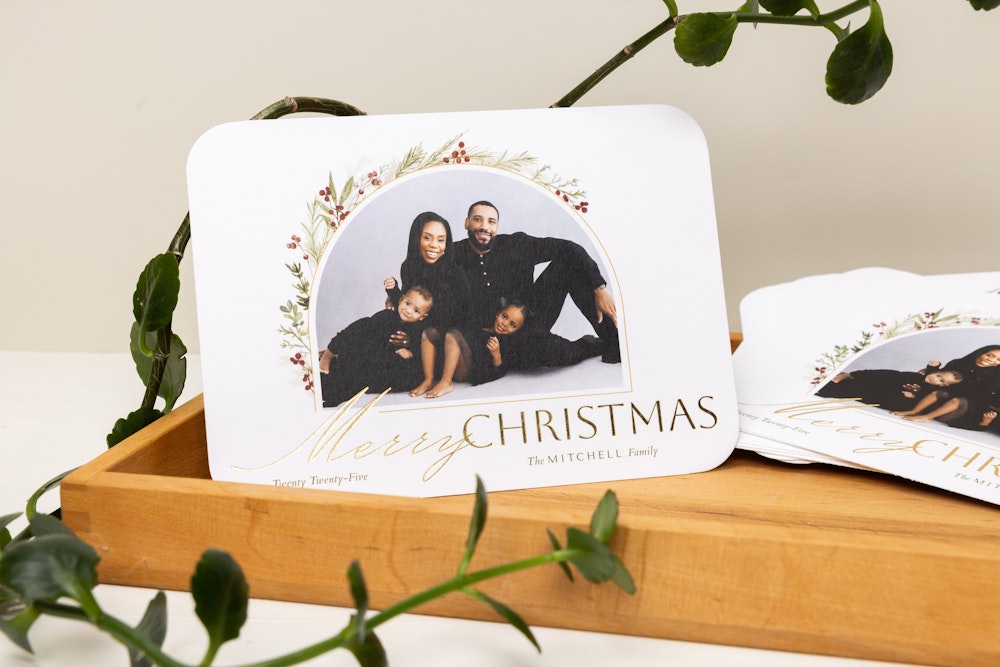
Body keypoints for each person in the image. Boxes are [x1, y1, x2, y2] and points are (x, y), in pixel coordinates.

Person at [452, 200, 620, 367]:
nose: (484, 226)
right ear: (467, 223)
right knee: (547, 351)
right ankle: (588, 345)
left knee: (568, 264)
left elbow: (570, 248)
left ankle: (615, 342)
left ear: (497, 228)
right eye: (477, 219)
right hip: (488, 337)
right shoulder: (452, 254)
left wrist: (599, 288)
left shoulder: (516, 244)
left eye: (491, 221)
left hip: (530, 320)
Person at [318, 286, 433, 407]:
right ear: (401, 299)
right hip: (368, 355)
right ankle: (328, 355)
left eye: (416, 311)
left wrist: (410, 353)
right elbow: (361, 334)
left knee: (358, 382)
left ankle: (339, 387)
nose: (408, 311)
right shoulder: (386, 316)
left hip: (383, 368)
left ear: (422, 317)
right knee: (361, 327)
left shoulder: (417, 330)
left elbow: (420, 349)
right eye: (408, 303)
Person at [410, 301, 529, 399]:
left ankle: (446, 382)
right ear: (498, 314)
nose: (504, 324)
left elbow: (498, 373)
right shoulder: (483, 325)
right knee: (430, 332)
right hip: (452, 363)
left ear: (517, 330)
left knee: (453, 335)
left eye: (512, 325)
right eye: (504, 316)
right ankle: (429, 379)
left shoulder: (506, 343)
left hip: (469, 371)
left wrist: (496, 355)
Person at [386, 211, 470, 331]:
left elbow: (457, 320)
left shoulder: (455, 275)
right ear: (416, 239)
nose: (434, 245)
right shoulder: (408, 267)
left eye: (440, 240)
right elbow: (406, 303)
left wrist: (411, 339)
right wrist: (392, 289)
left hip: (442, 337)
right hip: (410, 328)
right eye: (427, 238)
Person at [817, 366, 964, 412]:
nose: (935, 378)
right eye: (938, 375)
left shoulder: (931, 392)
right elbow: (889, 376)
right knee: (867, 384)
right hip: (884, 384)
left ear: (943, 385)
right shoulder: (915, 376)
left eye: (940, 380)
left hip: (891, 396)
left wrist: (913, 396)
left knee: (894, 401)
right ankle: (848, 375)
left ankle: (842, 386)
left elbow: (923, 399)